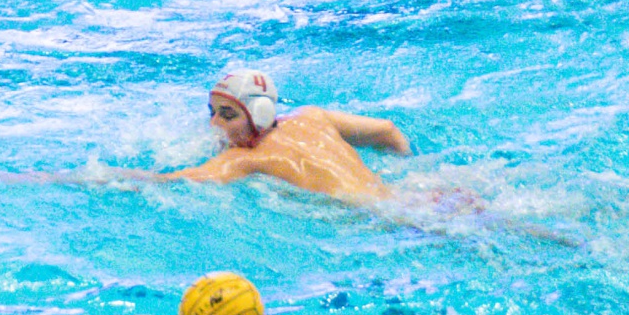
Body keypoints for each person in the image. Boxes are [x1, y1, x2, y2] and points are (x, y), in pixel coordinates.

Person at [67, 69, 412, 206]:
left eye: (227, 114)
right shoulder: (314, 116)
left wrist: (85, 178)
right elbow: (388, 130)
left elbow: (168, 181)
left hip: (380, 218)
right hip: (408, 194)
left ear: (259, 115)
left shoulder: (247, 158)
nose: (214, 123)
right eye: (212, 112)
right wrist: (406, 169)